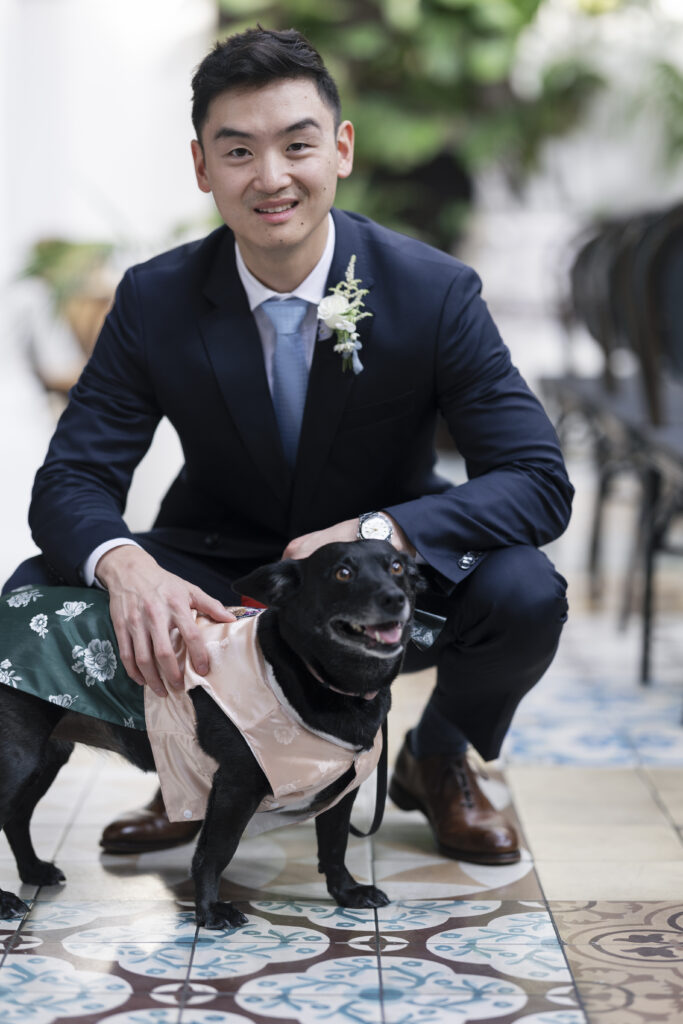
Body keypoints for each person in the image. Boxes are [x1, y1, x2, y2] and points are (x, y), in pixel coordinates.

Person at [5, 27, 572, 865]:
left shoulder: (432, 292)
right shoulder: (156, 298)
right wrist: (127, 567)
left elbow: (536, 480)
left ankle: (439, 754)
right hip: (220, 566)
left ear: (339, 149)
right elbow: (72, 478)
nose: (270, 178)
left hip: (380, 566)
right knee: (39, 586)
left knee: (525, 588)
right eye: (237, 151)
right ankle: (187, 763)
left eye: (295, 145)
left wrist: (379, 535)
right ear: (202, 168)